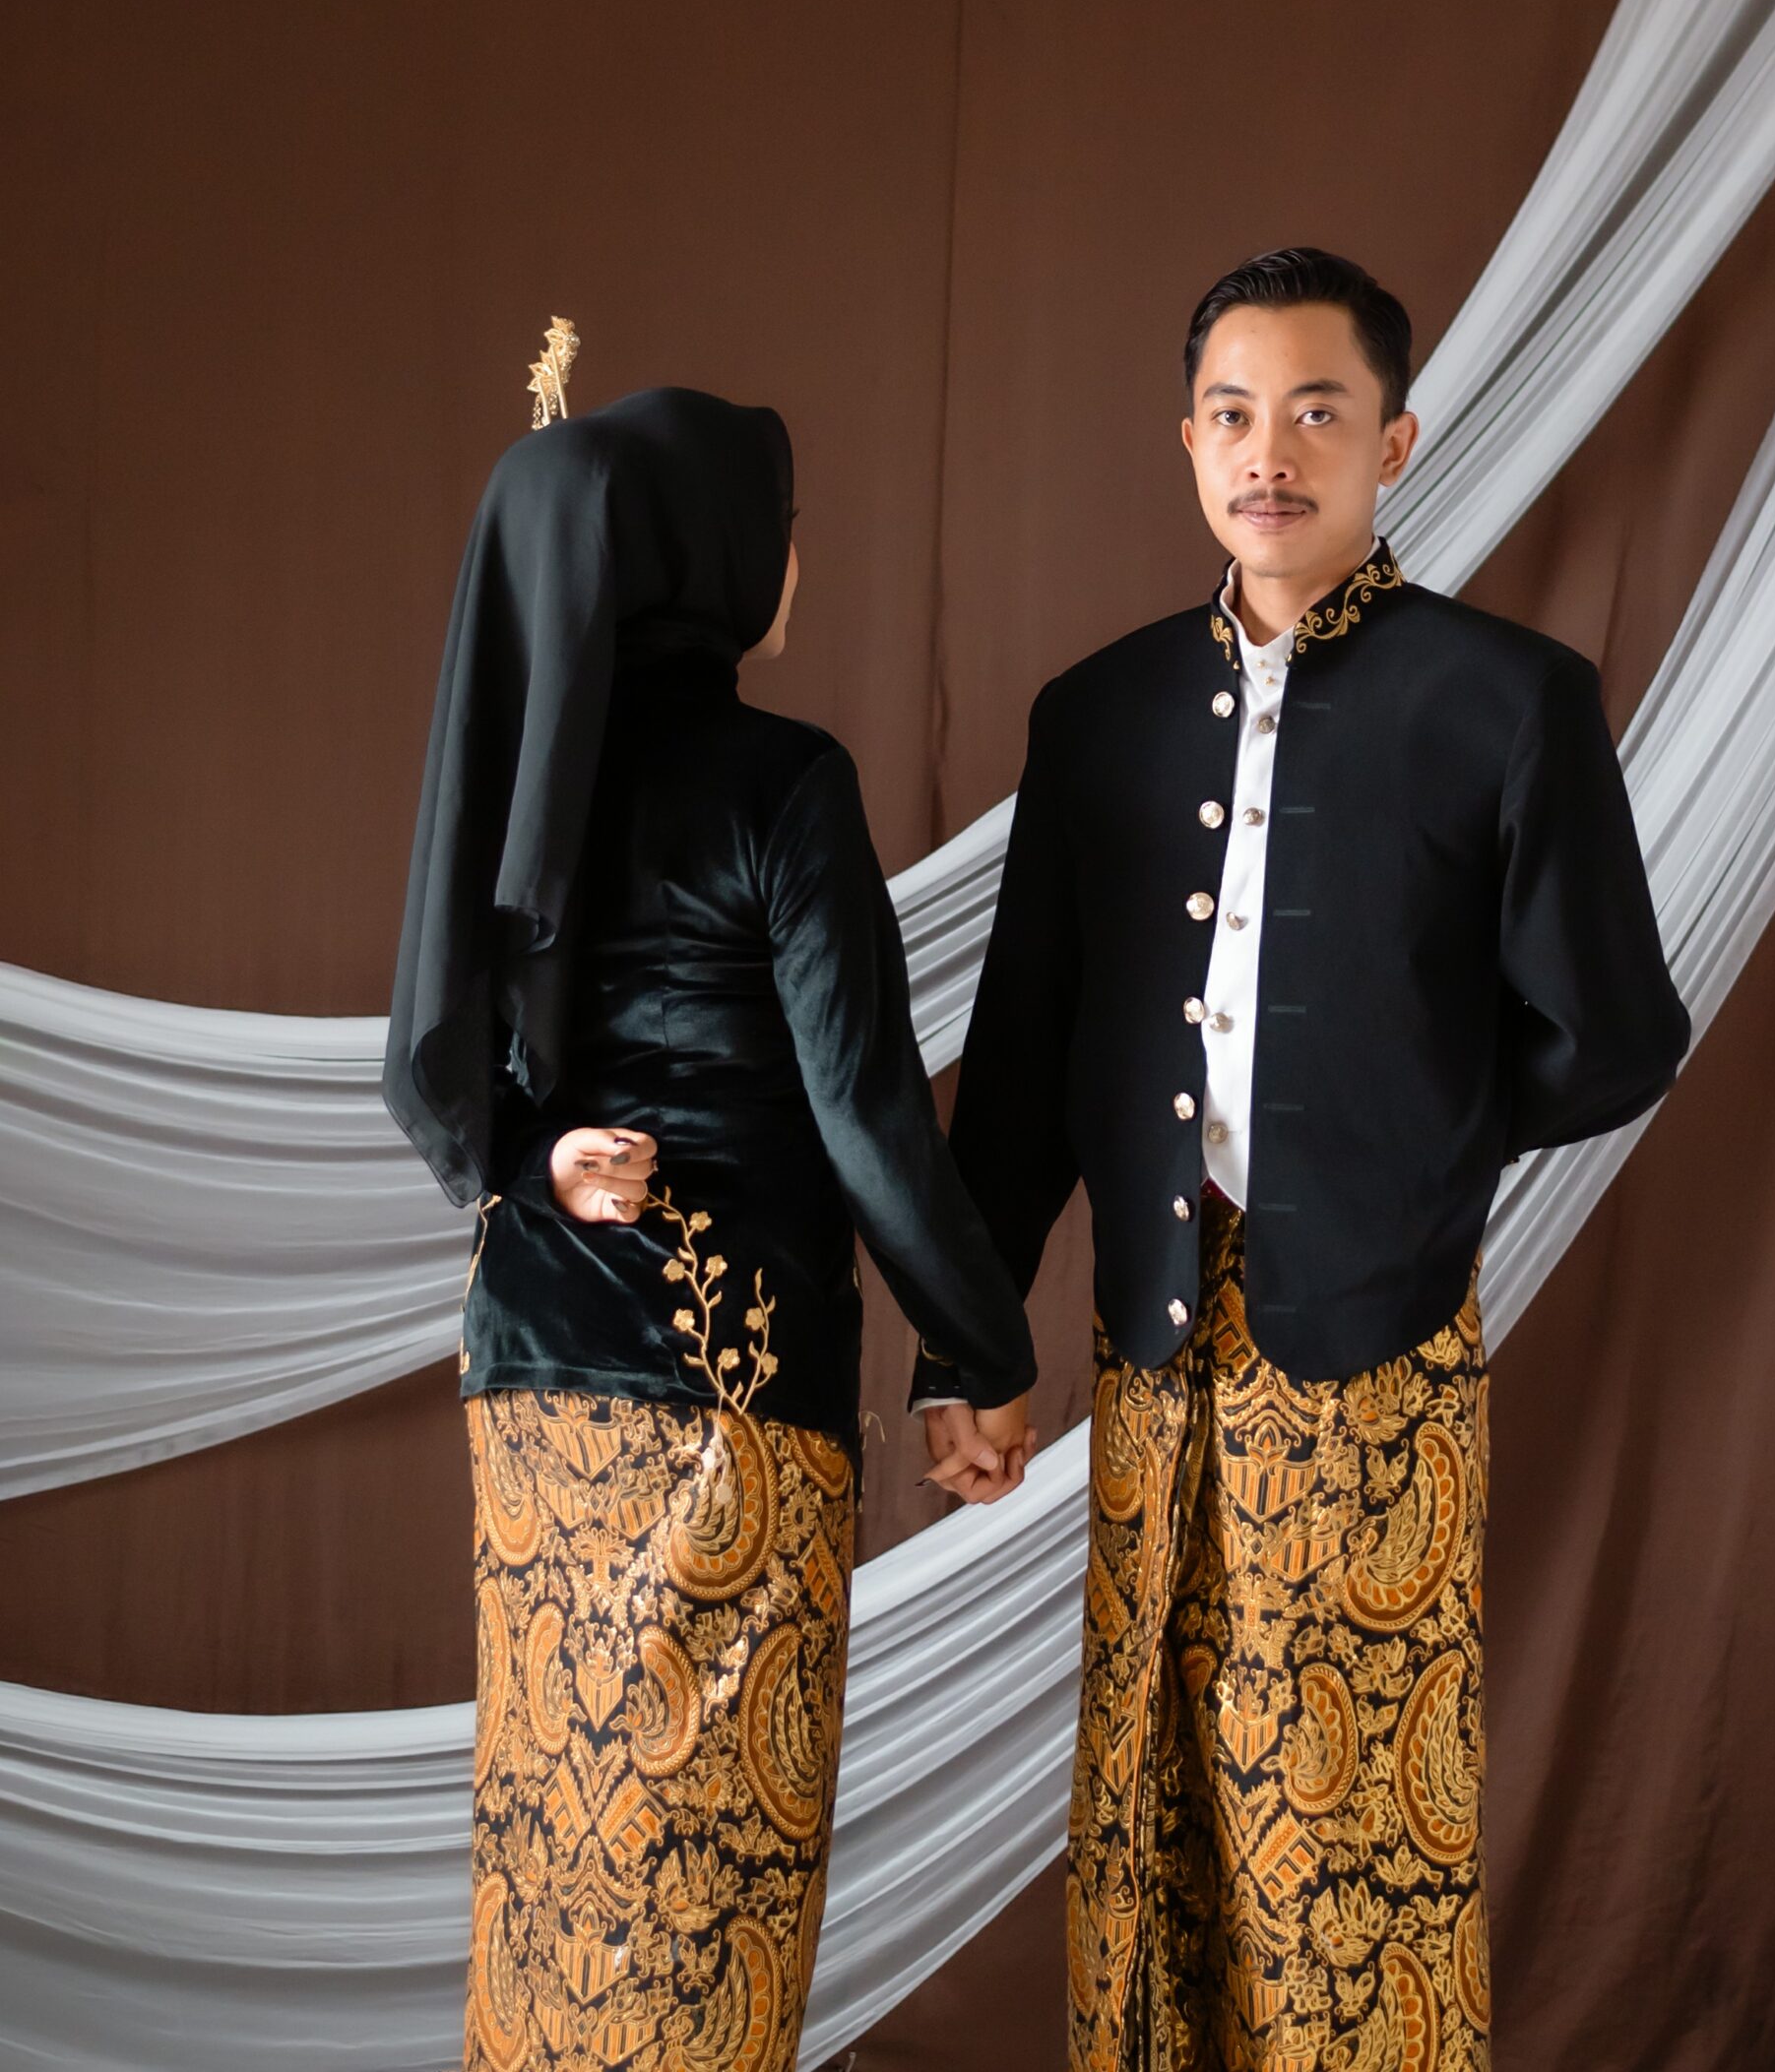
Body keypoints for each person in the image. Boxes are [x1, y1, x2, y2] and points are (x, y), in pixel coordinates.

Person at [918, 248, 1690, 2069]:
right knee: (1149, 1813)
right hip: (1153, 1344)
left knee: (1351, 1852)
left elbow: (1622, 1032)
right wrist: (968, 1346)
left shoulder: (1507, 698)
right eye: (1235, 414)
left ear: (1394, 443)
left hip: (1379, 1342)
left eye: (1318, 413)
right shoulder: (1096, 714)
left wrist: (1414, 1134)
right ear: (1188, 439)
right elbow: (1019, 1069)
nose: (1271, 453)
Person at [385, 381, 1037, 2072]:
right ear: (715, 554)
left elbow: (454, 1055)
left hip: (534, 1387)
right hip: (721, 1401)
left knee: (556, 1872)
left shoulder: (526, 773)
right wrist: (980, 1347)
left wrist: (536, 1160)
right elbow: (868, 1110)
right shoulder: (781, 783)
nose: (798, 561)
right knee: (702, 1902)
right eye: (786, 529)